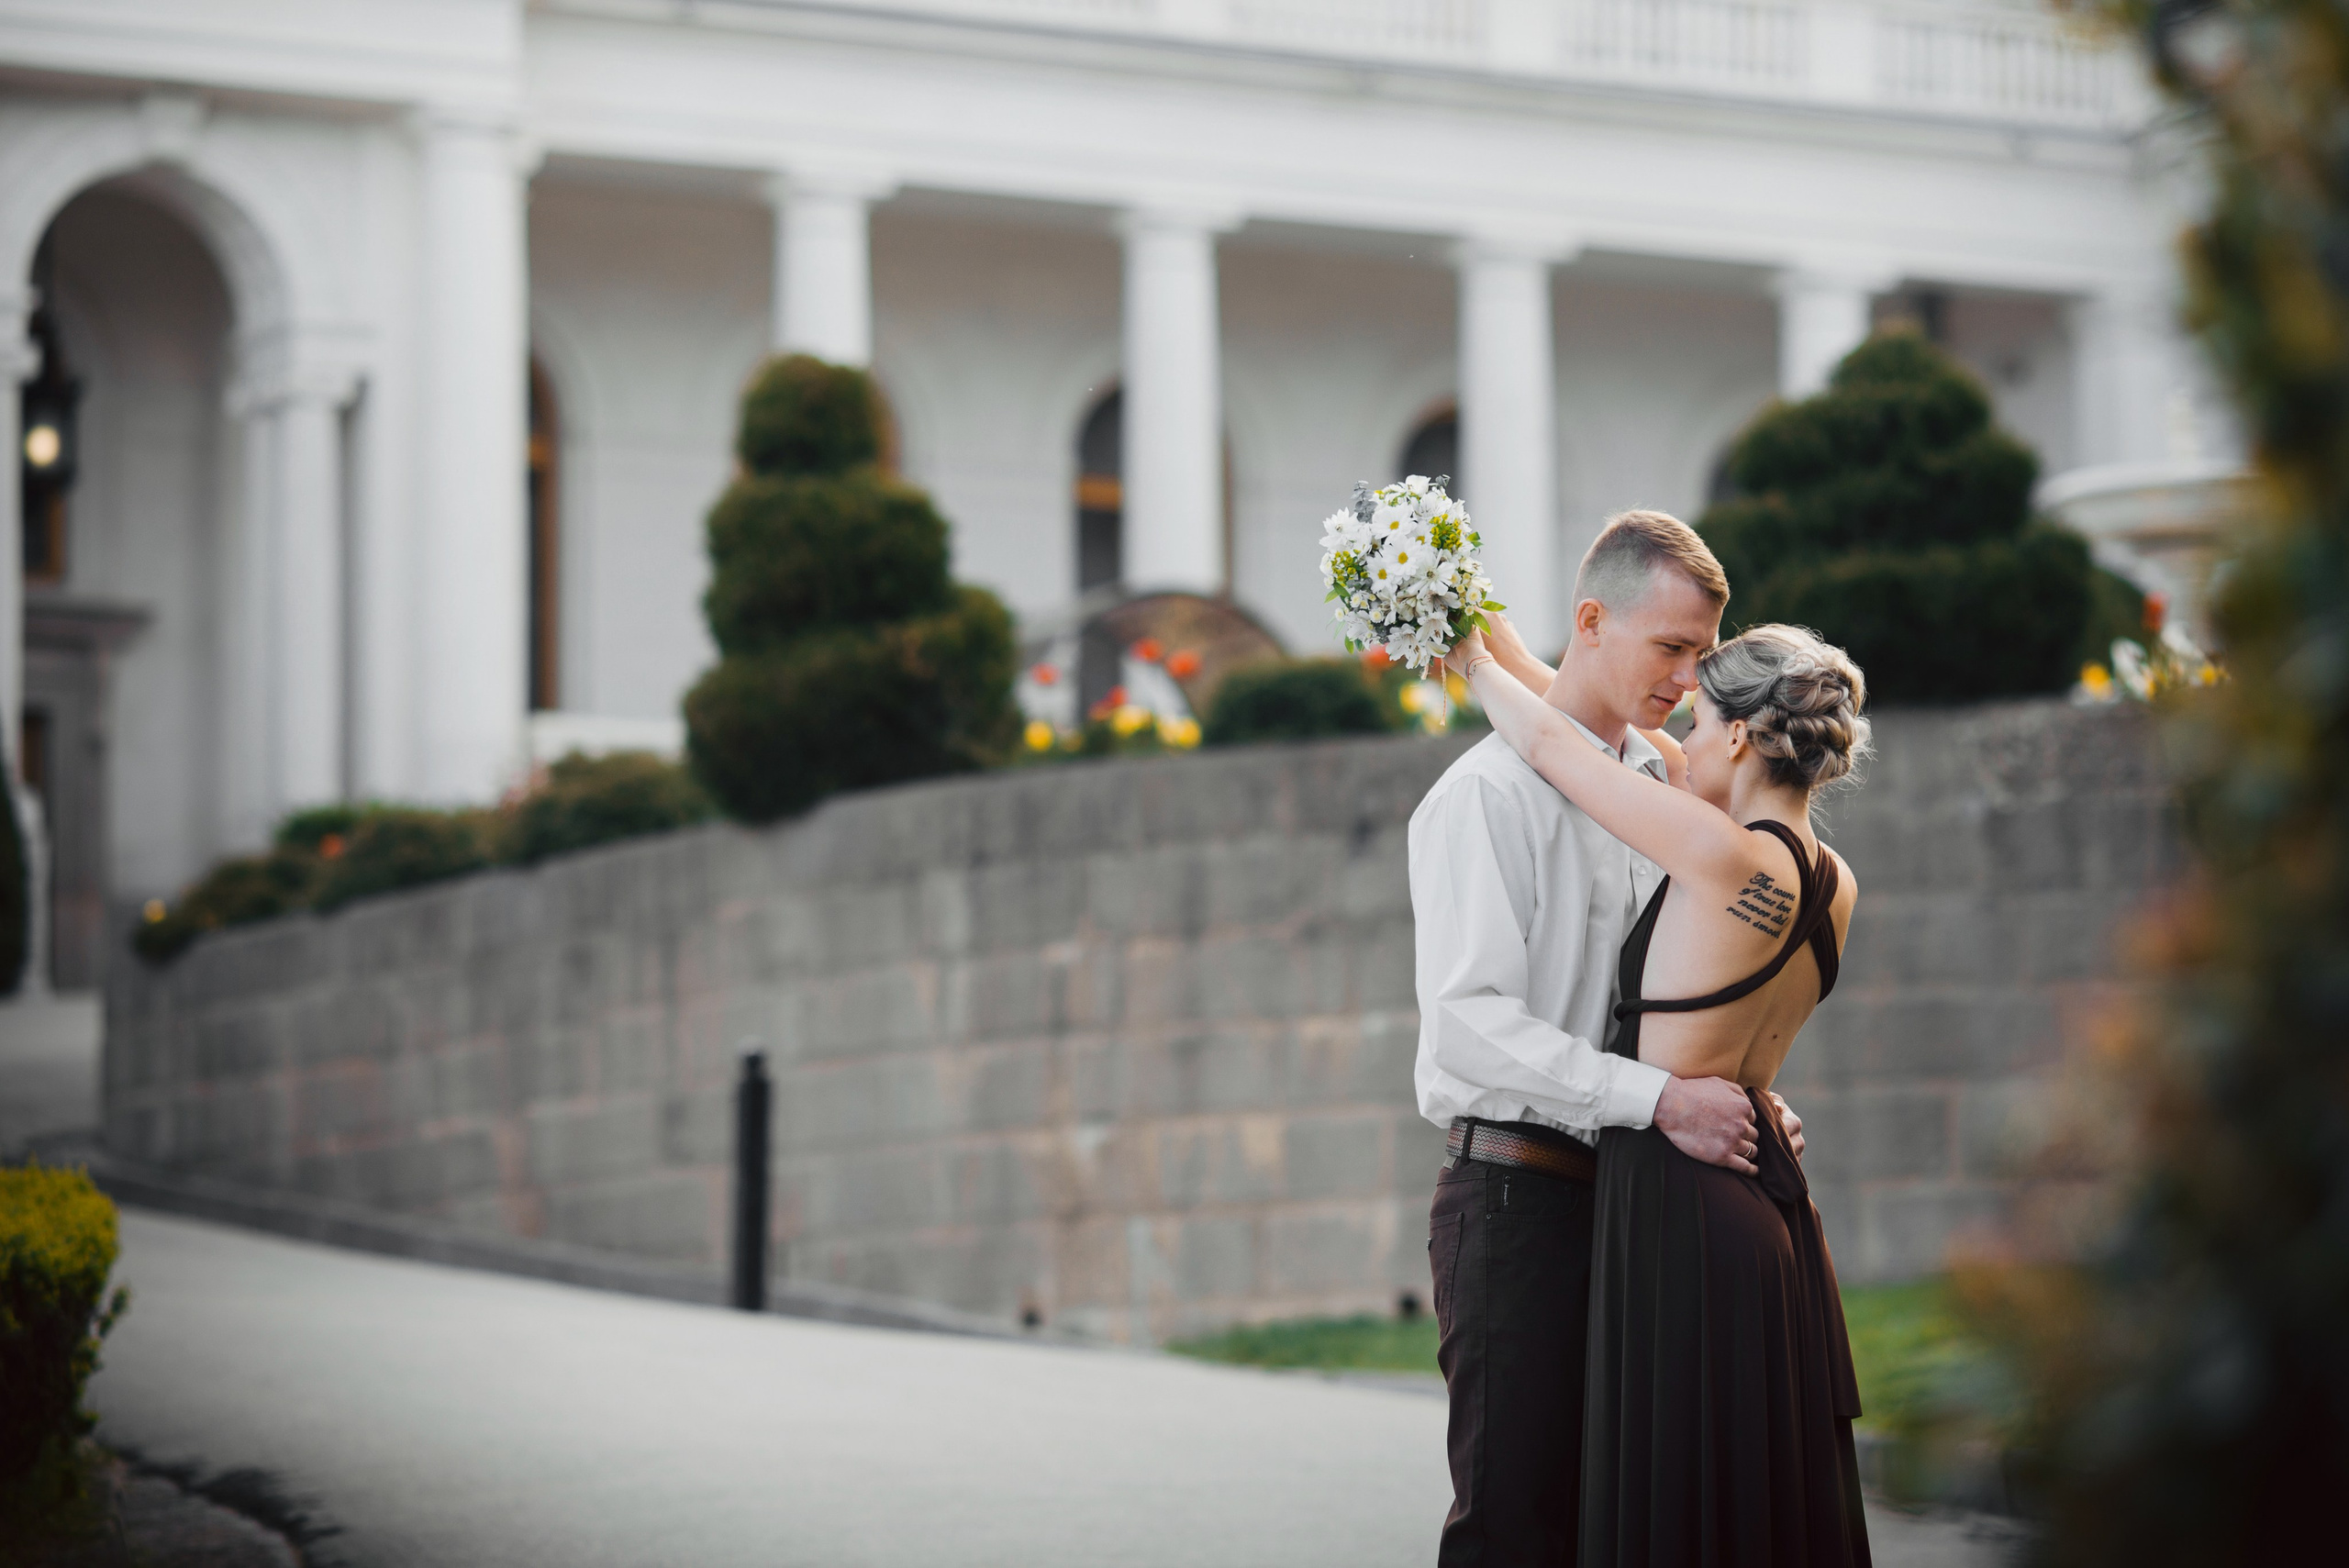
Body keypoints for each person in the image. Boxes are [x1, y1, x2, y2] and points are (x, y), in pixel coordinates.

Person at [1408, 511, 1804, 1566]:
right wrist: (1662, 1100)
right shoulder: (1483, 796)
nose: (1684, 677)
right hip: (1518, 1202)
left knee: (1621, 1527)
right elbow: (1469, 1024)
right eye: (1667, 647)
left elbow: (1671, 999)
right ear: (1590, 618)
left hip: (1641, 1210)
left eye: (1697, 654)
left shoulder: (1664, 787)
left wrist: (1736, 1089)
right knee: (1513, 1527)